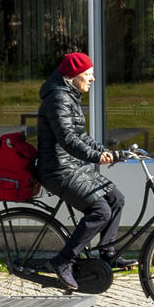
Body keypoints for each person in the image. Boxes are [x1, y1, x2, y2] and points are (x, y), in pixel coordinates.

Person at [35, 52, 121, 291]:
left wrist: (105, 152)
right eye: (88, 74)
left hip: (72, 166)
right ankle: (63, 261)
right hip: (57, 169)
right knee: (100, 211)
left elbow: (80, 135)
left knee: (116, 199)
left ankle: (107, 254)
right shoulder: (57, 99)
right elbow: (67, 138)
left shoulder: (69, 95)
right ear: (73, 75)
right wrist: (95, 157)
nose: (92, 79)